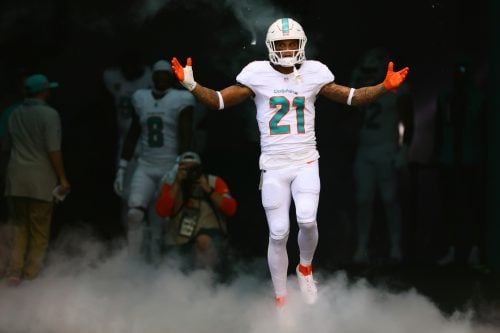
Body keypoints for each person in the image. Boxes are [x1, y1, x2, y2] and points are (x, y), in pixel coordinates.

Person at [171, 17, 409, 306]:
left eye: (291, 44)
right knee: (279, 231)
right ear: (271, 46)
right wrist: (191, 84)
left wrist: (384, 86)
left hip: (306, 160)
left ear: (302, 45)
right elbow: (219, 101)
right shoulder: (256, 74)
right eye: (281, 44)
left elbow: (353, 97)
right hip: (273, 165)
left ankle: (305, 268)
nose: (286, 49)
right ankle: (281, 297)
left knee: (307, 220)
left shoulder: (314, 72)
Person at [114, 60, 196, 264]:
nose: (161, 78)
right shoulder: (141, 99)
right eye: (158, 74)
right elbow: (133, 133)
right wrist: (122, 168)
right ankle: (133, 261)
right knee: (134, 213)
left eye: (165, 75)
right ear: (152, 77)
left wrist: (180, 164)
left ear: (171, 78)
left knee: (162, 220)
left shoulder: (181, 99)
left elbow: (186, 134)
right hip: (146, 164)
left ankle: (159, 263)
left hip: (170, 164)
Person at [348, 47, 414, 264]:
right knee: (362, 200)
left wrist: (404, 148)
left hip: (386, 149)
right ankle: (361, 246)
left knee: (389, 199)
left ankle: (396, 246)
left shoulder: (396, 88)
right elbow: (351, 118)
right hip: (365, 150)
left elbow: (407, 120)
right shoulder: (362, 87)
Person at [4, 74, 71, 286]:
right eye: (48, 89)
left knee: (20, 227)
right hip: (40, 179)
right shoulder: (49, 115)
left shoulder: (14, 114)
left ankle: (14, 273)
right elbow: (53, 149)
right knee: (40, 232)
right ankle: (31, 276)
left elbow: (7, 144)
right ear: (43, 91)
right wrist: (62, 177)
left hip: (15, 178)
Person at [433, 57, 487, 267]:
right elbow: (439, 127)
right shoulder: (445, 97)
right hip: (449, 159)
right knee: (449, 207)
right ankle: (453, 249)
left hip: (470, 158)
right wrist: (437, 153)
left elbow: (483, 129)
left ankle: (474, 250)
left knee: (473, 207)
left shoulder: (479, 98)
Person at [155, 151, 237, 271]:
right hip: (179, 239)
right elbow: (161, 212)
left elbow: (231, 209)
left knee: (203, 241)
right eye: (184, 168)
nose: (189, 172)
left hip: (210, 237)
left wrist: (207, 189)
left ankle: (206, 280)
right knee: (170, 265)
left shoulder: (214, 182)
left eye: (193, 168)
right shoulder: (171, 184)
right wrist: (177, 183)